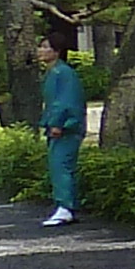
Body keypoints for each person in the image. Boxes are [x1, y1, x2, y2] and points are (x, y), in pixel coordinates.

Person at [36, 40, 88, 228]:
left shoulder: (64, 73)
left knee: (61, 165)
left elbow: (65, 101)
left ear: (57, 51)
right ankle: (64, 205)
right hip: (58, 126)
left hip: (66, 128)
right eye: (40, 46)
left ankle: (66, 206)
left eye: (45, 47)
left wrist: (59, 123)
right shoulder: (53, 72)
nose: (40, 50)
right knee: (58, 165)